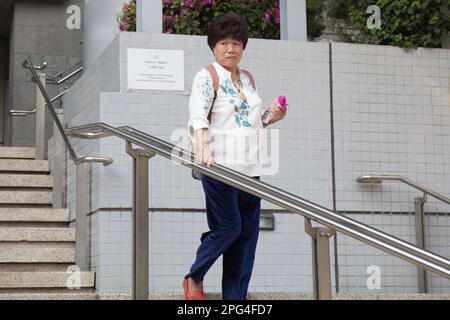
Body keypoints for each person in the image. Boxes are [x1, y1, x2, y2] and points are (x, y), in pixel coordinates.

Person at [184, 11, 286, 300]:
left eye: (237, 44)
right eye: (224, 43)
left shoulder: (248, 78)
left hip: (251, 169)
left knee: (246, 239)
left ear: (243, 47)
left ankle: (235, 299)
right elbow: (198, 117)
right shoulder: (207, 76)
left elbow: (251, 121)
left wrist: (271, 116)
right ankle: (194, 276)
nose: (231, 49)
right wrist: (202, 148)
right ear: (214, 46)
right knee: (228, 228)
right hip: (219, 167)